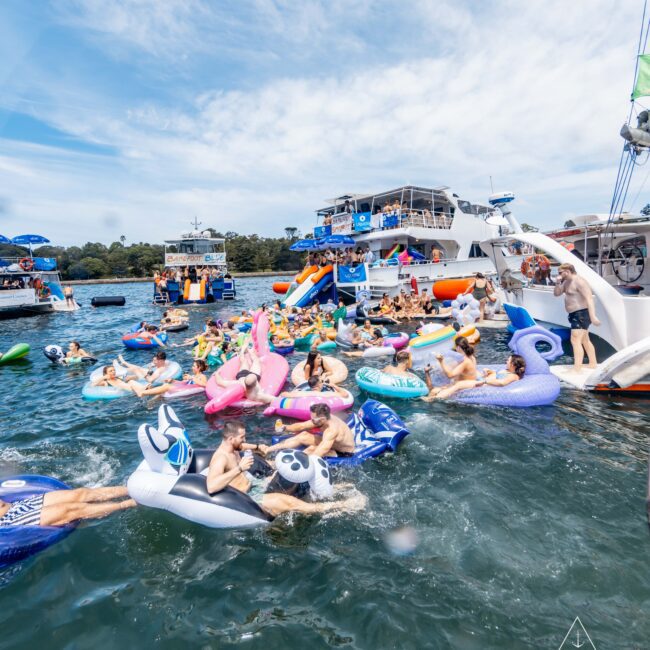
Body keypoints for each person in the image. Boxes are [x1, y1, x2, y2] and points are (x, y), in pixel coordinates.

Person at [205, 421, 363, 516]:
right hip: (248, 498)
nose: (244, 440)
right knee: (290, 503)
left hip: (255, 485)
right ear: (231, 438)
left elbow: (243, 446)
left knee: (294, 480)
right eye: (242, 437)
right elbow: (211, 486)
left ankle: (333, 490)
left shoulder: (232, 448)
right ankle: (343, 507)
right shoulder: (220, 458)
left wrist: (258, 446)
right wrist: (239, 468)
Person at [0, 484, 135, 528]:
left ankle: (133, 488)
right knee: (71, 509)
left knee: (80, 494)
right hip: (7, 524)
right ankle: (130, 504)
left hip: (15, 506)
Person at [260, 403, 355, 458]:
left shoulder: (332, 430)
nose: (311, 421)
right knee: (304, 435)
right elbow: (302, 426)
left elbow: (320, 451)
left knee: (311, 449)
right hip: (332, 444)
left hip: (343, 453)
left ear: (322, 418)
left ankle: (290, 463)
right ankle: (268, 450)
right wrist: (285, 427)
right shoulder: (322, 419)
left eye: (313, 419)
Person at [553, 263, 601, 371]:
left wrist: (593, 317)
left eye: (560, 272)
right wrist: (557, 282)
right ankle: (593, 363)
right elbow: (556, 294)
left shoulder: (579, 281)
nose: (559, 274)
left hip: (582, 313)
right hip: (574, 314)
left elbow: (589, 298)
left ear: (568, 271)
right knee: (585, 340)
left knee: (575, 340)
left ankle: (577, 369)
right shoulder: (566, 282)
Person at [280, 374, 349, 398]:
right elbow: (345, 394)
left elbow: (283, 394)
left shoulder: (302, 393)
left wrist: (294, 391)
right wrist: (334, 385)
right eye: (322, 382)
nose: (323, 383)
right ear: (318, 384)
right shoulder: (325, 394)